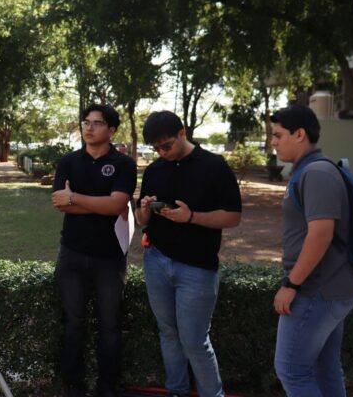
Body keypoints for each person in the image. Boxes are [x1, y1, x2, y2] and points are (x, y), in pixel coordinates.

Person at [135, 111, 241, 397]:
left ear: (182, 133)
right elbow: (141, 220)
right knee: (168, 333)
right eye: (156, 148)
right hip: (156, 259)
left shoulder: (214, 166)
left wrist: (191, 216)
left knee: (194, 340)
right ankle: (176, 391)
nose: (162, 152)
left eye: (166, 145)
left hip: (197, 266)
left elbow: (233, 217)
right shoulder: (155, 170)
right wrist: (144, 210)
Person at [270, 105, 353, 396]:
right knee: (324, 368)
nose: (273, 142)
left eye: (278, 135)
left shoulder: (317, 172)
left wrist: (291, 284)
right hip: (327, 288)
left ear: (299, 134)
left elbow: (321, 235)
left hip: (316, 290)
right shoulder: (309, 170)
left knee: (291, 370)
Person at [51, 104, 137, 397]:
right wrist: (100, 204)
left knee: (109, 325)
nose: (89, 128)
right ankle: (74, 385)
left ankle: (107, 385)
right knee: (73, 323)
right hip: (72, 254)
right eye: (86, 122)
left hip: (109, 258)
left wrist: (74, 198)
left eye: (97, 123)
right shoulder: (69, 162)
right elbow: (60, 203)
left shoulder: (123, 164)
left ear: (111, 130)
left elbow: (117, 205)